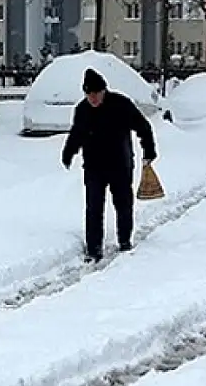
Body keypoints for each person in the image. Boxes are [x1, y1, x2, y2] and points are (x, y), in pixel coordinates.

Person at [62, 68, 157, 262]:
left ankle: (124, 240)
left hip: (120, 164)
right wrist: (68, 152)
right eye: (89, 94)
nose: (93, 98)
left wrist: (149, 151)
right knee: (93, 207)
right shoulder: (82, 110)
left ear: (104, 90)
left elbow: (143, 127)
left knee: (123, 205)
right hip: (93, 166)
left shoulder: (121, 105)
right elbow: (76, 133)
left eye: (96, 93)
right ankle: (94, 249)